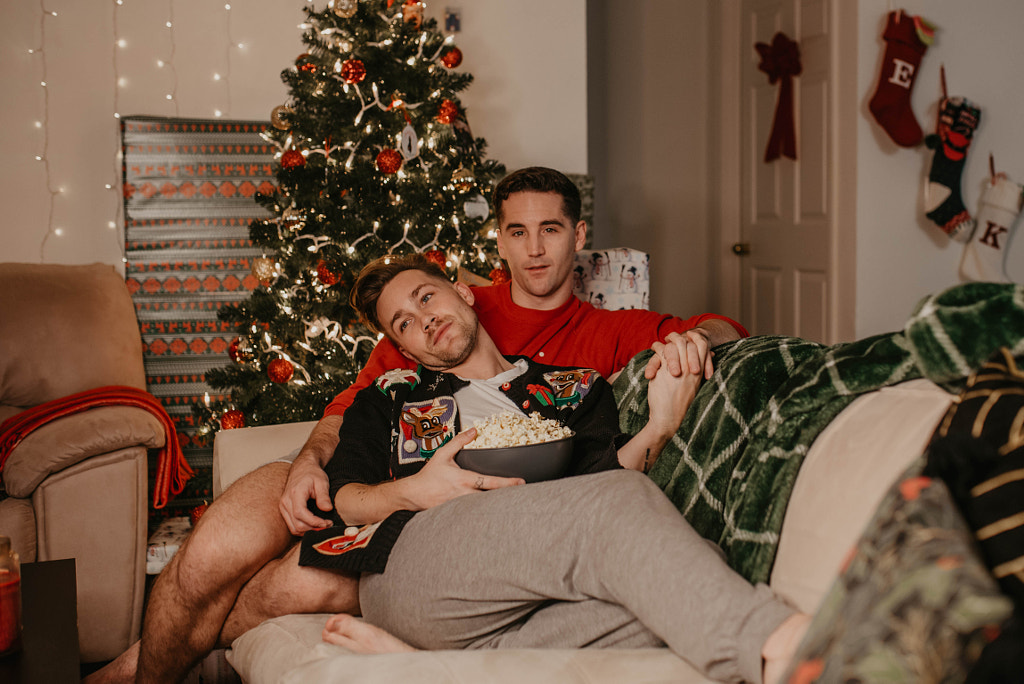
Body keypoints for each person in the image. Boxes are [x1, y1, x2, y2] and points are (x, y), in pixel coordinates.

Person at [89, 167, 747, 684]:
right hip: (374, 483)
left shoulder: (603, 346)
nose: (535, 248)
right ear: (495, 248)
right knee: (209, 556)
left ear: (578, 237)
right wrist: (309, 465)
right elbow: (354, 408)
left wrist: (692, 346)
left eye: (551, 229)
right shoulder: (441, 320)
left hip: (471, 528)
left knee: (283, 586)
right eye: (517, 232)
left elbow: (719, 337)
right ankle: (138, 669)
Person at [293, 254, 809, 684]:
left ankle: (439, 670)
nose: (422, 318)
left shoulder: (574, 387)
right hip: (415, 565)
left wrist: (661, 427)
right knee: (630, 516)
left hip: (530, 570)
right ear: (404, 349)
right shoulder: (389, 398)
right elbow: (346, 498)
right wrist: (415, 490)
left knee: (679, 580)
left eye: (426, 298)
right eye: (403, 322)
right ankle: (781, 645)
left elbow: (601, 476)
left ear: (464, 293)